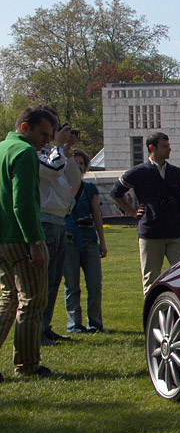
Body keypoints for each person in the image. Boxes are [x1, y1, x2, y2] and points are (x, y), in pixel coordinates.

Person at [0, 106, 59, 379]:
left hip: (1, 238)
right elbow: (22, 202)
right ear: (25, 127)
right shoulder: (24, 153)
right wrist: (34, 241)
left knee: (7, 299)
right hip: (20, 238)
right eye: (43, 134)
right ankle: (27, 365)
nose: (45, 141)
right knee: (32, 302)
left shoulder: (2, 149)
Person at [111, 132, 180, 296]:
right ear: (152, 147)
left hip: (176, 233)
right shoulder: (138, 172)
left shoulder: (176, 173)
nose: (169, 149)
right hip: (150, 233)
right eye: (164, 146)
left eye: (169, 145)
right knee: (151, 280)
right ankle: (153, 319)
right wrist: (132, 212)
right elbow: (115, 193)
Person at [37, 117, 83, 345]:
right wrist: (57, 146)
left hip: (59, 220)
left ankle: (45, 327)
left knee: (54, 280)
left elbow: (75, 178)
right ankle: (36, 331)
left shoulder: (57, 153)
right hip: (44, 219)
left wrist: (66, 149)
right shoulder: (36, 153)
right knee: (43, 280)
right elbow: (53, 170)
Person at [63, 150, 107, 333]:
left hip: (89, 240)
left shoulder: (89, 188)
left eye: (81, 163)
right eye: (75, 163)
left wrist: (102, 242)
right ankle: (75, 324)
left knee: (95, 285)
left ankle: (95, 323)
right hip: (69, 241)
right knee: (72, 286)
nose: (79, 167)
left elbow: (97, 215)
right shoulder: (60, 187)